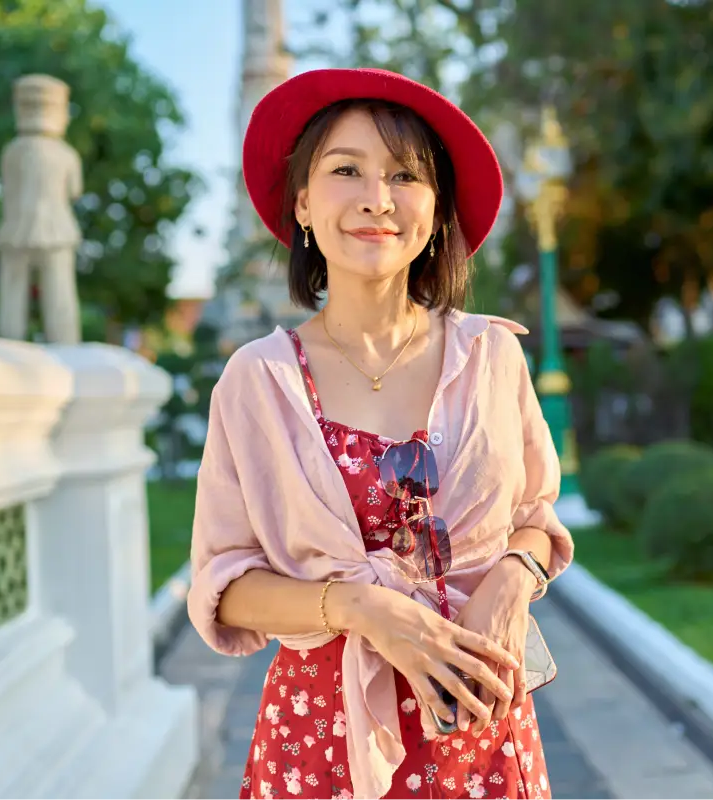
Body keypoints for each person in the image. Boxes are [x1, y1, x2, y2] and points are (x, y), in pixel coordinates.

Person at [188, 68, 574, 800]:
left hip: (479, 728)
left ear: (435, 209)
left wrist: (511, 582)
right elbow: (225, 587)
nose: (377, 198)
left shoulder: (491, 357)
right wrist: (360, 607)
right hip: (321, 738)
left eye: (405, 174)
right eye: (346, 171)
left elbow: (535, 520)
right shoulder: (257, 381)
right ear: (302, 203)